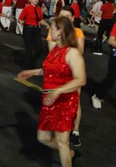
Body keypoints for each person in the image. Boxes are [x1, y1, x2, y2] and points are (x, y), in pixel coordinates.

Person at [18, 16, 86, 167]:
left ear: (60, 32)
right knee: (43, 138)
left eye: (52, 28)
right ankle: (70, 153)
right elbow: (50, 69)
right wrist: (32, 72)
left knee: (62, 141)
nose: (50, 31)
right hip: (49, 99)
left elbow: (81, 79)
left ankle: (66, 155)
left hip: (64, 101)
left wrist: (58, 91)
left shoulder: (72, 52)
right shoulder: (55, 49)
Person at [47, 6, 85, 147]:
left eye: (67, 16)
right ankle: (60, 128)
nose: (64, 19)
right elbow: (52, 52)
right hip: (56, 74)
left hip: (73, 72)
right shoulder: (53, 32)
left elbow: (79, 52)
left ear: (72, 18)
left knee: (75, 102)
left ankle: (75, 131)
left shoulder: (78, 32)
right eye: (61, 16)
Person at [18, 0, 50, 69]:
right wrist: (22, 22)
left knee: (39, 49)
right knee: (29, 49)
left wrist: (47, 25)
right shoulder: (26, 8)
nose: (36, 0)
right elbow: (20, 19)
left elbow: (40, 20)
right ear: (30, 0)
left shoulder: (39, 9)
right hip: (28, 29)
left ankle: (32, 62)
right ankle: (28, 66)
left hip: (36, 30)